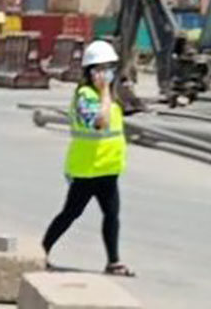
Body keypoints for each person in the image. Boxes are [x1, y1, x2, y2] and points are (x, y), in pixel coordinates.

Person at [42, 39, 134, 277]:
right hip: (87, 169)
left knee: (111, 215)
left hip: (108, 168)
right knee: (71, 213)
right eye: (101, 68)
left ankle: (113, 261)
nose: (106, 73)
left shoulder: (111, 95)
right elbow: (99, 123)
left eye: (110, 67)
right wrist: (104, 93)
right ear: (90, 72)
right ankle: (41, 252)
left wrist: (111, 92)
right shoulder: (86, 96)